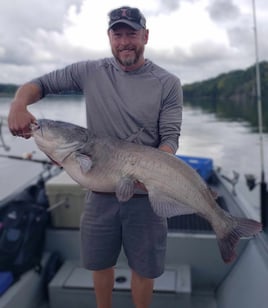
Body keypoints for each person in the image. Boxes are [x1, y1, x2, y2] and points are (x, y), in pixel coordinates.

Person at [8, 6, 183, 308]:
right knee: (100, 263)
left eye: (132, 33)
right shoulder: (89, 71)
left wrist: (153, 169)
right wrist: (18, 104)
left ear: (146, 36)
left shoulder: (167, 82)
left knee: (145, 268)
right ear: (109, 37)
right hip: (99, 193)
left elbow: (169, 138)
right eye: (118, 34)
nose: (125, 41)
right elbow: (42, 84)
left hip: (146, 194)